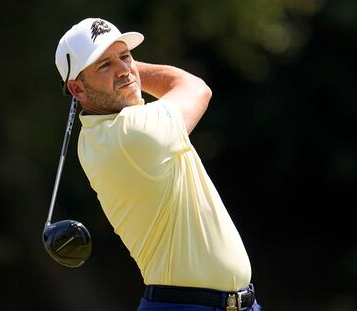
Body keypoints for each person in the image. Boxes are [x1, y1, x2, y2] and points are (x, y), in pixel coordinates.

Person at [55, 17, 262, 311]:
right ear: (77, 90)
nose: (125, 70)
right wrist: (131, 70)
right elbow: (195, 87)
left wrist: (117, 70)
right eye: (104, 65)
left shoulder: (96, 136)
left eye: (125, 56)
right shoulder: (133, 133)